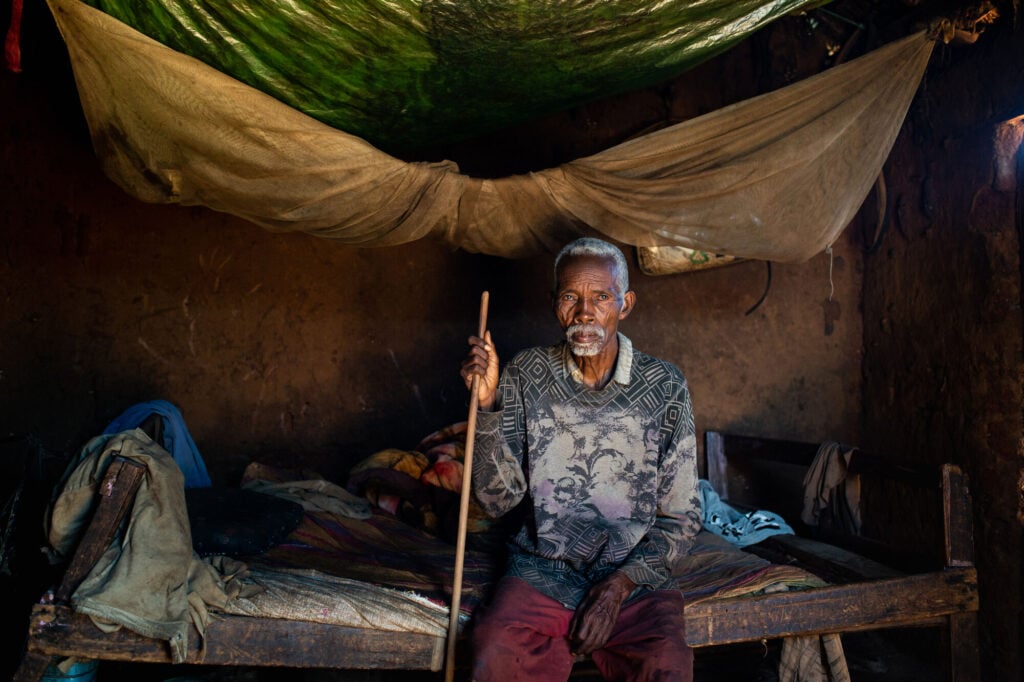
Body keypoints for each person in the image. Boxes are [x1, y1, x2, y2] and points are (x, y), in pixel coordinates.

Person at [460, 237, 701, 681]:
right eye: (571, 297)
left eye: (601, 297)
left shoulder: (664, 385)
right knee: (495, 649)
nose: (585, 312)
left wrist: (618, 586)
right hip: (541, 568)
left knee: (665, 664)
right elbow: (495, 503)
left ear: (625, 304)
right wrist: (489, 405)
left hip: (631, 577)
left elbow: (682, 517)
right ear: (554, 303)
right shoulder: (526, 374)